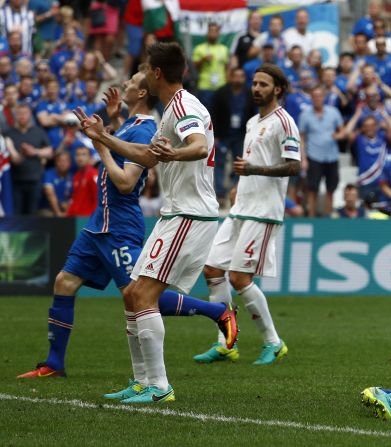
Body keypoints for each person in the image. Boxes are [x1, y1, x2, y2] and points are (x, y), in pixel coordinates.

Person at [19, 69, 237, 383]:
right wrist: (113, 122)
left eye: (132, 83)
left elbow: (125, 182)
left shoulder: (145, 128)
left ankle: (216, 312)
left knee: (139, 295)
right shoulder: (131, 125)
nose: (124, 84)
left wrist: (101, 146)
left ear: (143, 93)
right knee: (64, 282)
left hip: (120, 225)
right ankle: (54, 362)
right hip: (99, 223)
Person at [73, 43, 233, 403]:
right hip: (175, 212)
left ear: (156, 74)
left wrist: (175, 152)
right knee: (132, 294)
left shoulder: (183, 106)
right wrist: (103, 137)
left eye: (145, 68)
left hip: (190, 215)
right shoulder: (170, 109)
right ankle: (142, 381)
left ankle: (159, 386)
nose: (142, 72)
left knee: (144, 294)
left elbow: (197, 144)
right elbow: (147, 155)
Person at [196, 63, 300, 366]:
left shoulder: (285, 122)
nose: (256, 88)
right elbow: (250, 161)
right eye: (254, 83)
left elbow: (294, 165)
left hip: (264, 212)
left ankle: (273, 341)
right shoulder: (254, 121)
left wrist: (254, 171)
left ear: (277, 89)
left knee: (240, 277)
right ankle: (226, 342)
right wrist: (241, 184)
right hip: (242, 207)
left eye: (263, 84)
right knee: (212, 269)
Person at [211, 67, 257, 203]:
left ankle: (237, 191)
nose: (238, 79)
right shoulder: (221, 93)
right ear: (230, 77)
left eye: (241, 76)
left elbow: (254, 114)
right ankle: (220, 194)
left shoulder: (249, 94)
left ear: (244, 78)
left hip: (241, 135)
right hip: (223, 134)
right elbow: (214, 114)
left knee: (239, 164)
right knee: (219, 163)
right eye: (235, 76)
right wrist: (215, 135)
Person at [299, 85, 344, 217]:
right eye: (315, 96)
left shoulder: (334, 112)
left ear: (323, 97)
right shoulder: (305, 115)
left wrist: (339, 135)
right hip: (314, 155)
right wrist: (303, 158)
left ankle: (327, 217)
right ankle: (312, 217)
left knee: (331, 188)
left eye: (320, 96)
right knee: (312, 188)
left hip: (332, 155)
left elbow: (342, 131)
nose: (317, 99)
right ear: (311, 98)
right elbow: (301, 138)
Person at [7, 103, 53, 215]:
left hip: (35, 180)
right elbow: (12, 159)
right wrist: (21, 154)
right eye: (19, 114)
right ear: (15, 116)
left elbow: (50, 152)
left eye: (25, 113)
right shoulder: (9, 134)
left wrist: (35, 152)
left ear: (30, 115)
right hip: (15, 181)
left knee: (32, 213)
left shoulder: (38, 131)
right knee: (16, 213)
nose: (22, 116)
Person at [192, 22, 229, 107]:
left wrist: (227, 84)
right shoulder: (199, 48)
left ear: (219, 33)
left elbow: (227, 68)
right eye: (211, 31)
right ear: (207, 33)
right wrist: (203, 59)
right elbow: (194, 67)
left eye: (215, 31)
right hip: (205, 87)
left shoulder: (224, 49)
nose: (213, 33)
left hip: (221, 86)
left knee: (220, 113)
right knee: (206, 114)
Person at [65, 145, 98, 217]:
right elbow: (75, 198)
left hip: (88, 218)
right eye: (78, 155)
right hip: (75, 218)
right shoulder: (76, 176)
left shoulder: (94, 174)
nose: (80, 158)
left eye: (84, 155)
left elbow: (98, 198)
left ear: (90, 158)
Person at [38, 149, 72, 217]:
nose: (63, 164)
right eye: (60, 161)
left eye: (65, 161)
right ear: (55, 162)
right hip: (48, 209)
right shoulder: (48, 174)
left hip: (67, 208)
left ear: (70, 163)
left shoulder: (72, 175)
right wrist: (58, 213)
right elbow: (50, 194)